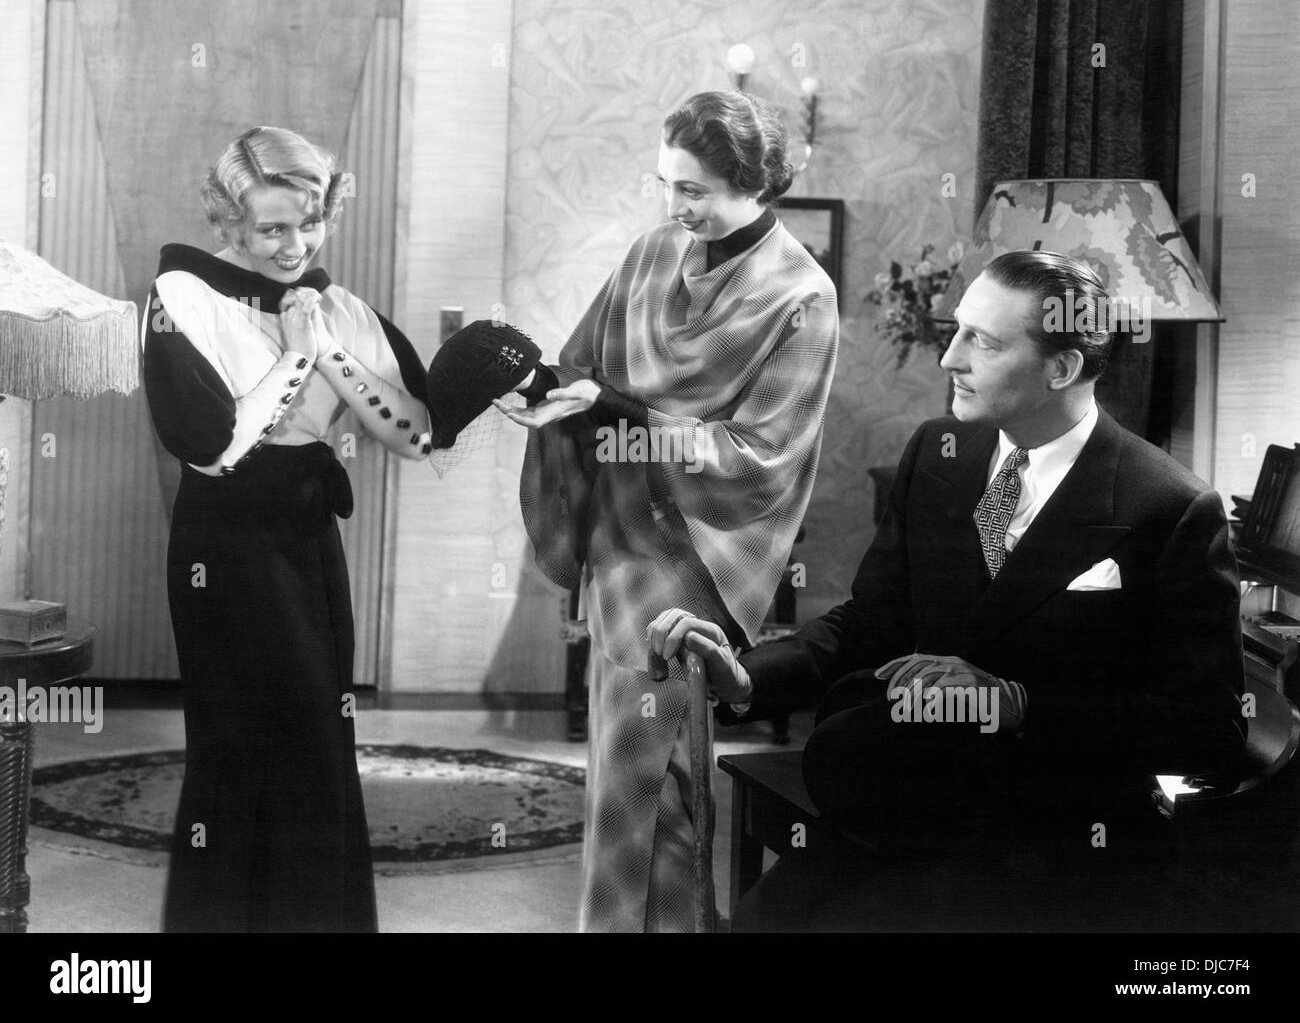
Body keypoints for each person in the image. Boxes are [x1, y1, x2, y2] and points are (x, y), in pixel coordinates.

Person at [652, 249, 1247, 931]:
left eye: (982, 342)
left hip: (1057, 836)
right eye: (957, 329)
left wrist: (1019, 703)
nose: (949, 358)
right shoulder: (940, 454)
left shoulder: (1170, 506)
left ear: (1062, 368)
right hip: (912, 805)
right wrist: (745, 677)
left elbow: (1210, 730)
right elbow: (872, 623)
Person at [499, 90, 839, 932]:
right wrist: (542, 391)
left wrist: (618, 415)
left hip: (694, 552)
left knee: (666, 778)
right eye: (667, 184)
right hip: (619, 539)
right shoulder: (653, 252)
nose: (675, 207)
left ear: (754, 181)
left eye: (694, 191)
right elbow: (581, 367)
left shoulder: (802, 294)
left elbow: (761, 455)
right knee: (620, 777)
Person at [142, 126, 440, 931]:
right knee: (243, 741)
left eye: (310, 224)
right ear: (230, 223)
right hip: (225, 543)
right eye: (272, 228)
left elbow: (417, 434)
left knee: (319, 736)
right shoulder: (182, 296)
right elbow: (215, 449)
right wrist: (301, 356)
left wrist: (330, 348)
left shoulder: (335, 303)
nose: (294, 244)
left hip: (310, 536)